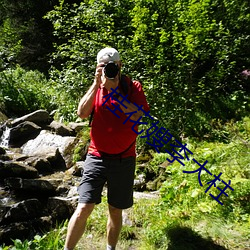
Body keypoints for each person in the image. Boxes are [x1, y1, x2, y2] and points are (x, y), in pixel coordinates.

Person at [64, 47, 150, 250]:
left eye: (112, 66)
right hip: (97, 156)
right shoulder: (96, 87)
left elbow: (137, 115)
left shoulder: (132, 87)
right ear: (97, 67)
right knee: (84, 205)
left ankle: (110, 248)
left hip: (124, 157)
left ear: (120, 65)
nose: (108, 69)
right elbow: (82, 113)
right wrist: (96, 85)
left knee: (115, 209)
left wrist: (114, 92)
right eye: (102, 66)